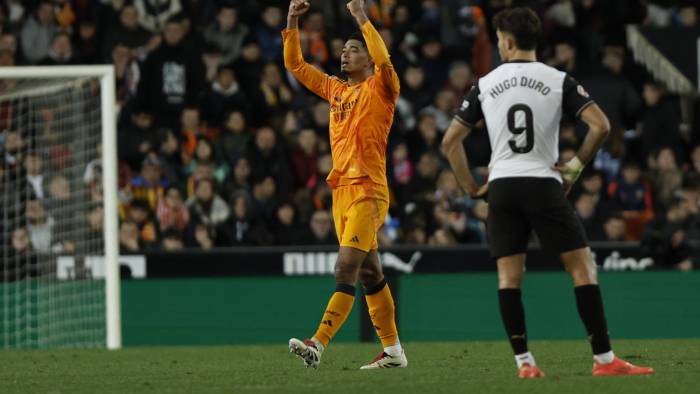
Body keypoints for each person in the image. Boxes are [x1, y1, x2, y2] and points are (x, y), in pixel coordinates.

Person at [441, 7, 653, 378]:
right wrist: (574, 167)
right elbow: (600, 126)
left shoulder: (486, 82)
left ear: (506, 41)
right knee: (582, 268)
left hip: (502, 185)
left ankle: (525, 364)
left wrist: (471, 187)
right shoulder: (558, 79)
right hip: (542, 182)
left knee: (509, 278)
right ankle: (604, 361)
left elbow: (450, 140)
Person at [283, 0, 406, 370]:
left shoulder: (383, 87)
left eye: (354, 50)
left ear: (369, 58)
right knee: (371, 273)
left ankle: (317, 344)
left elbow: (385, 61)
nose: (345, 54)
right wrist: (292, 20)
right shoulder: (336, 91)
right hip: (342, 192)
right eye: (343, 49)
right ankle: (394, 352)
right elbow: (295, 66)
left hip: (369, 189)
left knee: (345, 268)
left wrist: (361, 17)